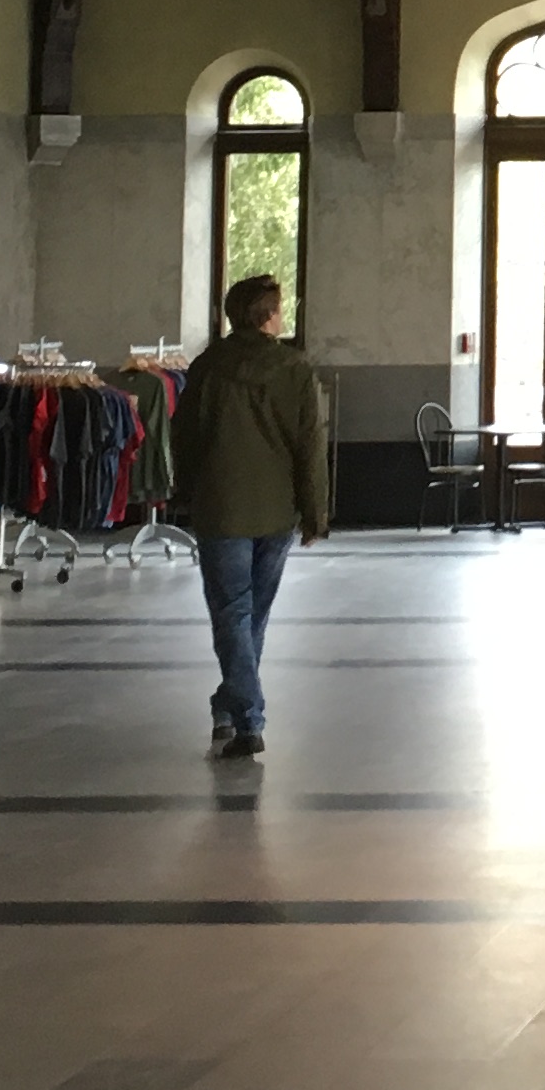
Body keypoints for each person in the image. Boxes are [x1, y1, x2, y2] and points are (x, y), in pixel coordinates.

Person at [172, 272, 330, 762]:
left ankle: (234, 706)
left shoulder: (207, 368)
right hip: (277, 510)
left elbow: (185, 438)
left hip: (221, 507)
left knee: (233, 614)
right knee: (252, 615)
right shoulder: (295, 369)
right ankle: (247, 715)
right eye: (280, 309)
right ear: (268, 316)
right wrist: (314, 513)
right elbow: (311, 446)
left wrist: (188, 493)